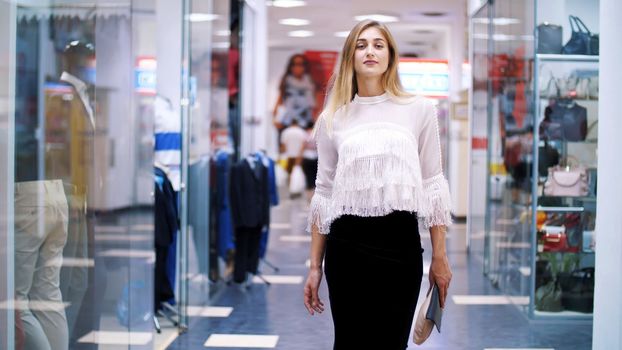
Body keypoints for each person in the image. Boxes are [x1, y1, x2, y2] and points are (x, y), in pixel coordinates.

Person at [302, 20, 453, 350]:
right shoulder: (333, 119)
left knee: (391, 342)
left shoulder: (420, 109)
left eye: (378, 44)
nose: (369, 50)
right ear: (350, 57)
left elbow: (433, 186)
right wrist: (315, 267)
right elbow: (324, 193)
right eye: (361, 45)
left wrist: (440, 258)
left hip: (400, 248)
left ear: (391, 56)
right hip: (347, 249)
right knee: (350, 342)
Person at [272, 54, 317, 133]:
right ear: (290, 66)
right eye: (295, 64)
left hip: (306, 120)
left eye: (301, 64)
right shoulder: (286, 80)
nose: (298, 67)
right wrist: (276, 117)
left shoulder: (309, 81)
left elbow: (313, 103)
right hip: (287, 120)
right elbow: (280, 99)